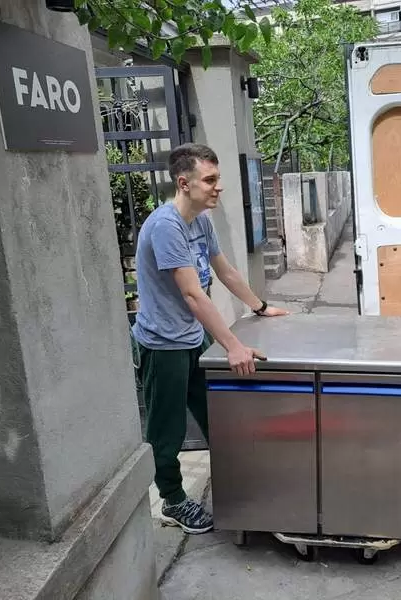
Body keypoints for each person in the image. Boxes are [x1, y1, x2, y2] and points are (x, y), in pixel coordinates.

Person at [132, 143, 288, 534]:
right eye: (211, 180)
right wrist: (233, 345)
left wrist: (260, 306)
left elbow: (226, 271)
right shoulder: (165, 227)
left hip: (191, 338)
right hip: (163, 344)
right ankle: (172, 499)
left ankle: (237, 481)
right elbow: (192, 294)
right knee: (166, 432)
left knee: (218, 414)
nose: (218, 188)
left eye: (218, 179)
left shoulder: (200, 220)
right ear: (184, 183)